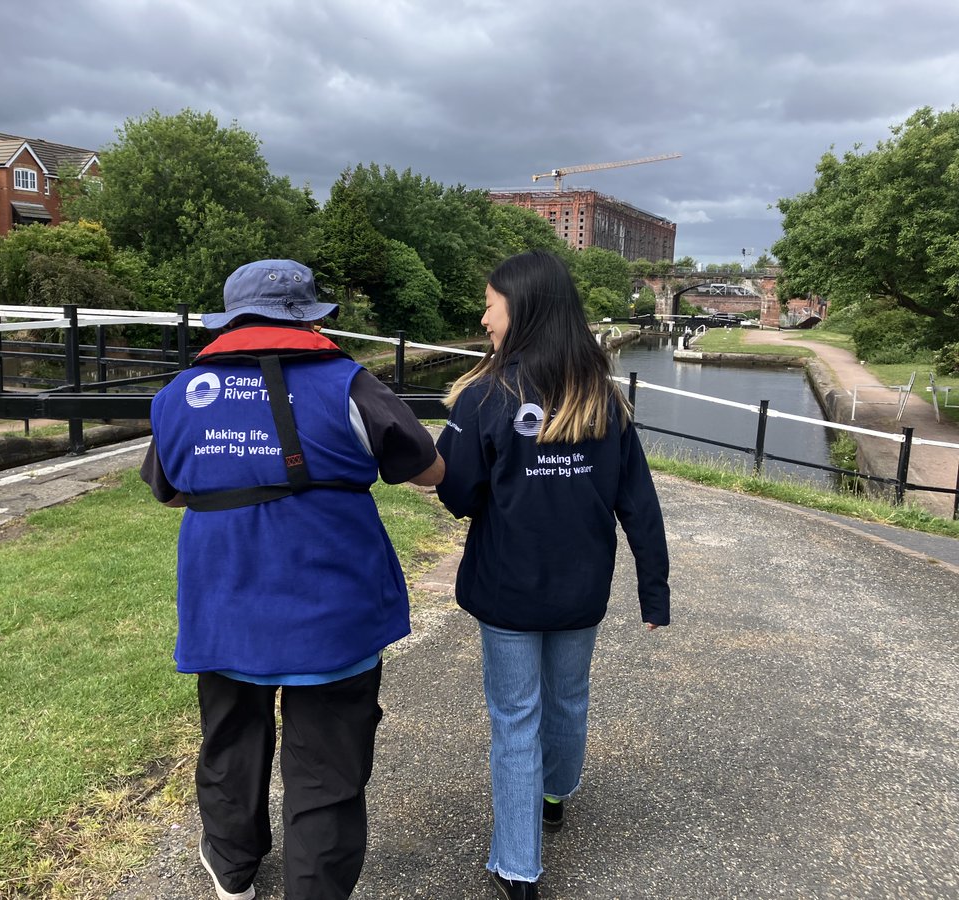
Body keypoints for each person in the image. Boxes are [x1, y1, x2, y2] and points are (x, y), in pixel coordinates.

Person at [140, 259, 444, 900]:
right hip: (332, 609)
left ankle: (233, 871)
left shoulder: (181, 392)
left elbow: (167, 492)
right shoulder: (351, 384)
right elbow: (426, 470)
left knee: (230, 739)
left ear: (231, 319)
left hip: (226, 603)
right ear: (309, 317)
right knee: (328, 766)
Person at [434, 250, 670, 900]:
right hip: (579, 588)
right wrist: (655, 590)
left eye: (491, 304)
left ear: (524, 309)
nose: (483, 318)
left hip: (507, 590)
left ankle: (518, 867)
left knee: (516, 719)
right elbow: (639, 505)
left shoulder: (484, 395)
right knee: (567, 699)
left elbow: (460, 495)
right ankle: (554, 795)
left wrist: (449, 455)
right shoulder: (605, 400)